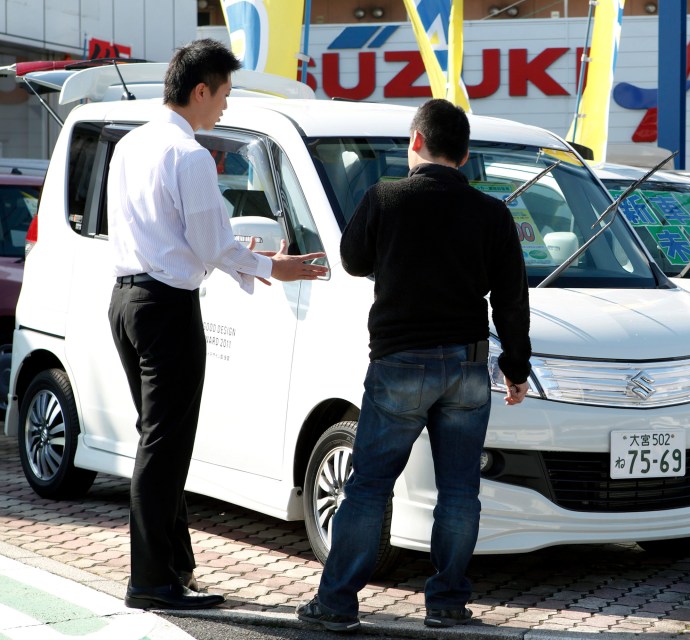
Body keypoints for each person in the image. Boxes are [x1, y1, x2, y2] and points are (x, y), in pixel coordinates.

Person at [107, 38, 328, 611]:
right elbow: (208, 244)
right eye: (225, 94)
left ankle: (172, 571)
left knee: (158, 442)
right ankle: (152, 582)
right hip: (165, 307)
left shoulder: (131, 143)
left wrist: (232, 252)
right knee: (164, 446)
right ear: (200, 90)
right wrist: (270, 265)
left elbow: (193, 240)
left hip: (127, 301)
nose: (226, 107)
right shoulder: (190, 154)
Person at [296, 98, 532, 633]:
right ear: (466, 155)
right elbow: (513, 300)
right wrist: (516, 368)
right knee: (459, 490)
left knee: (369, 485)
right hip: (468, 368)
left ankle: (336, 604)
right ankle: (447, 603)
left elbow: (353, 260)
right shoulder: (493, 213)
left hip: (400, 362)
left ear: (417, 142)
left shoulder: (386, 197)